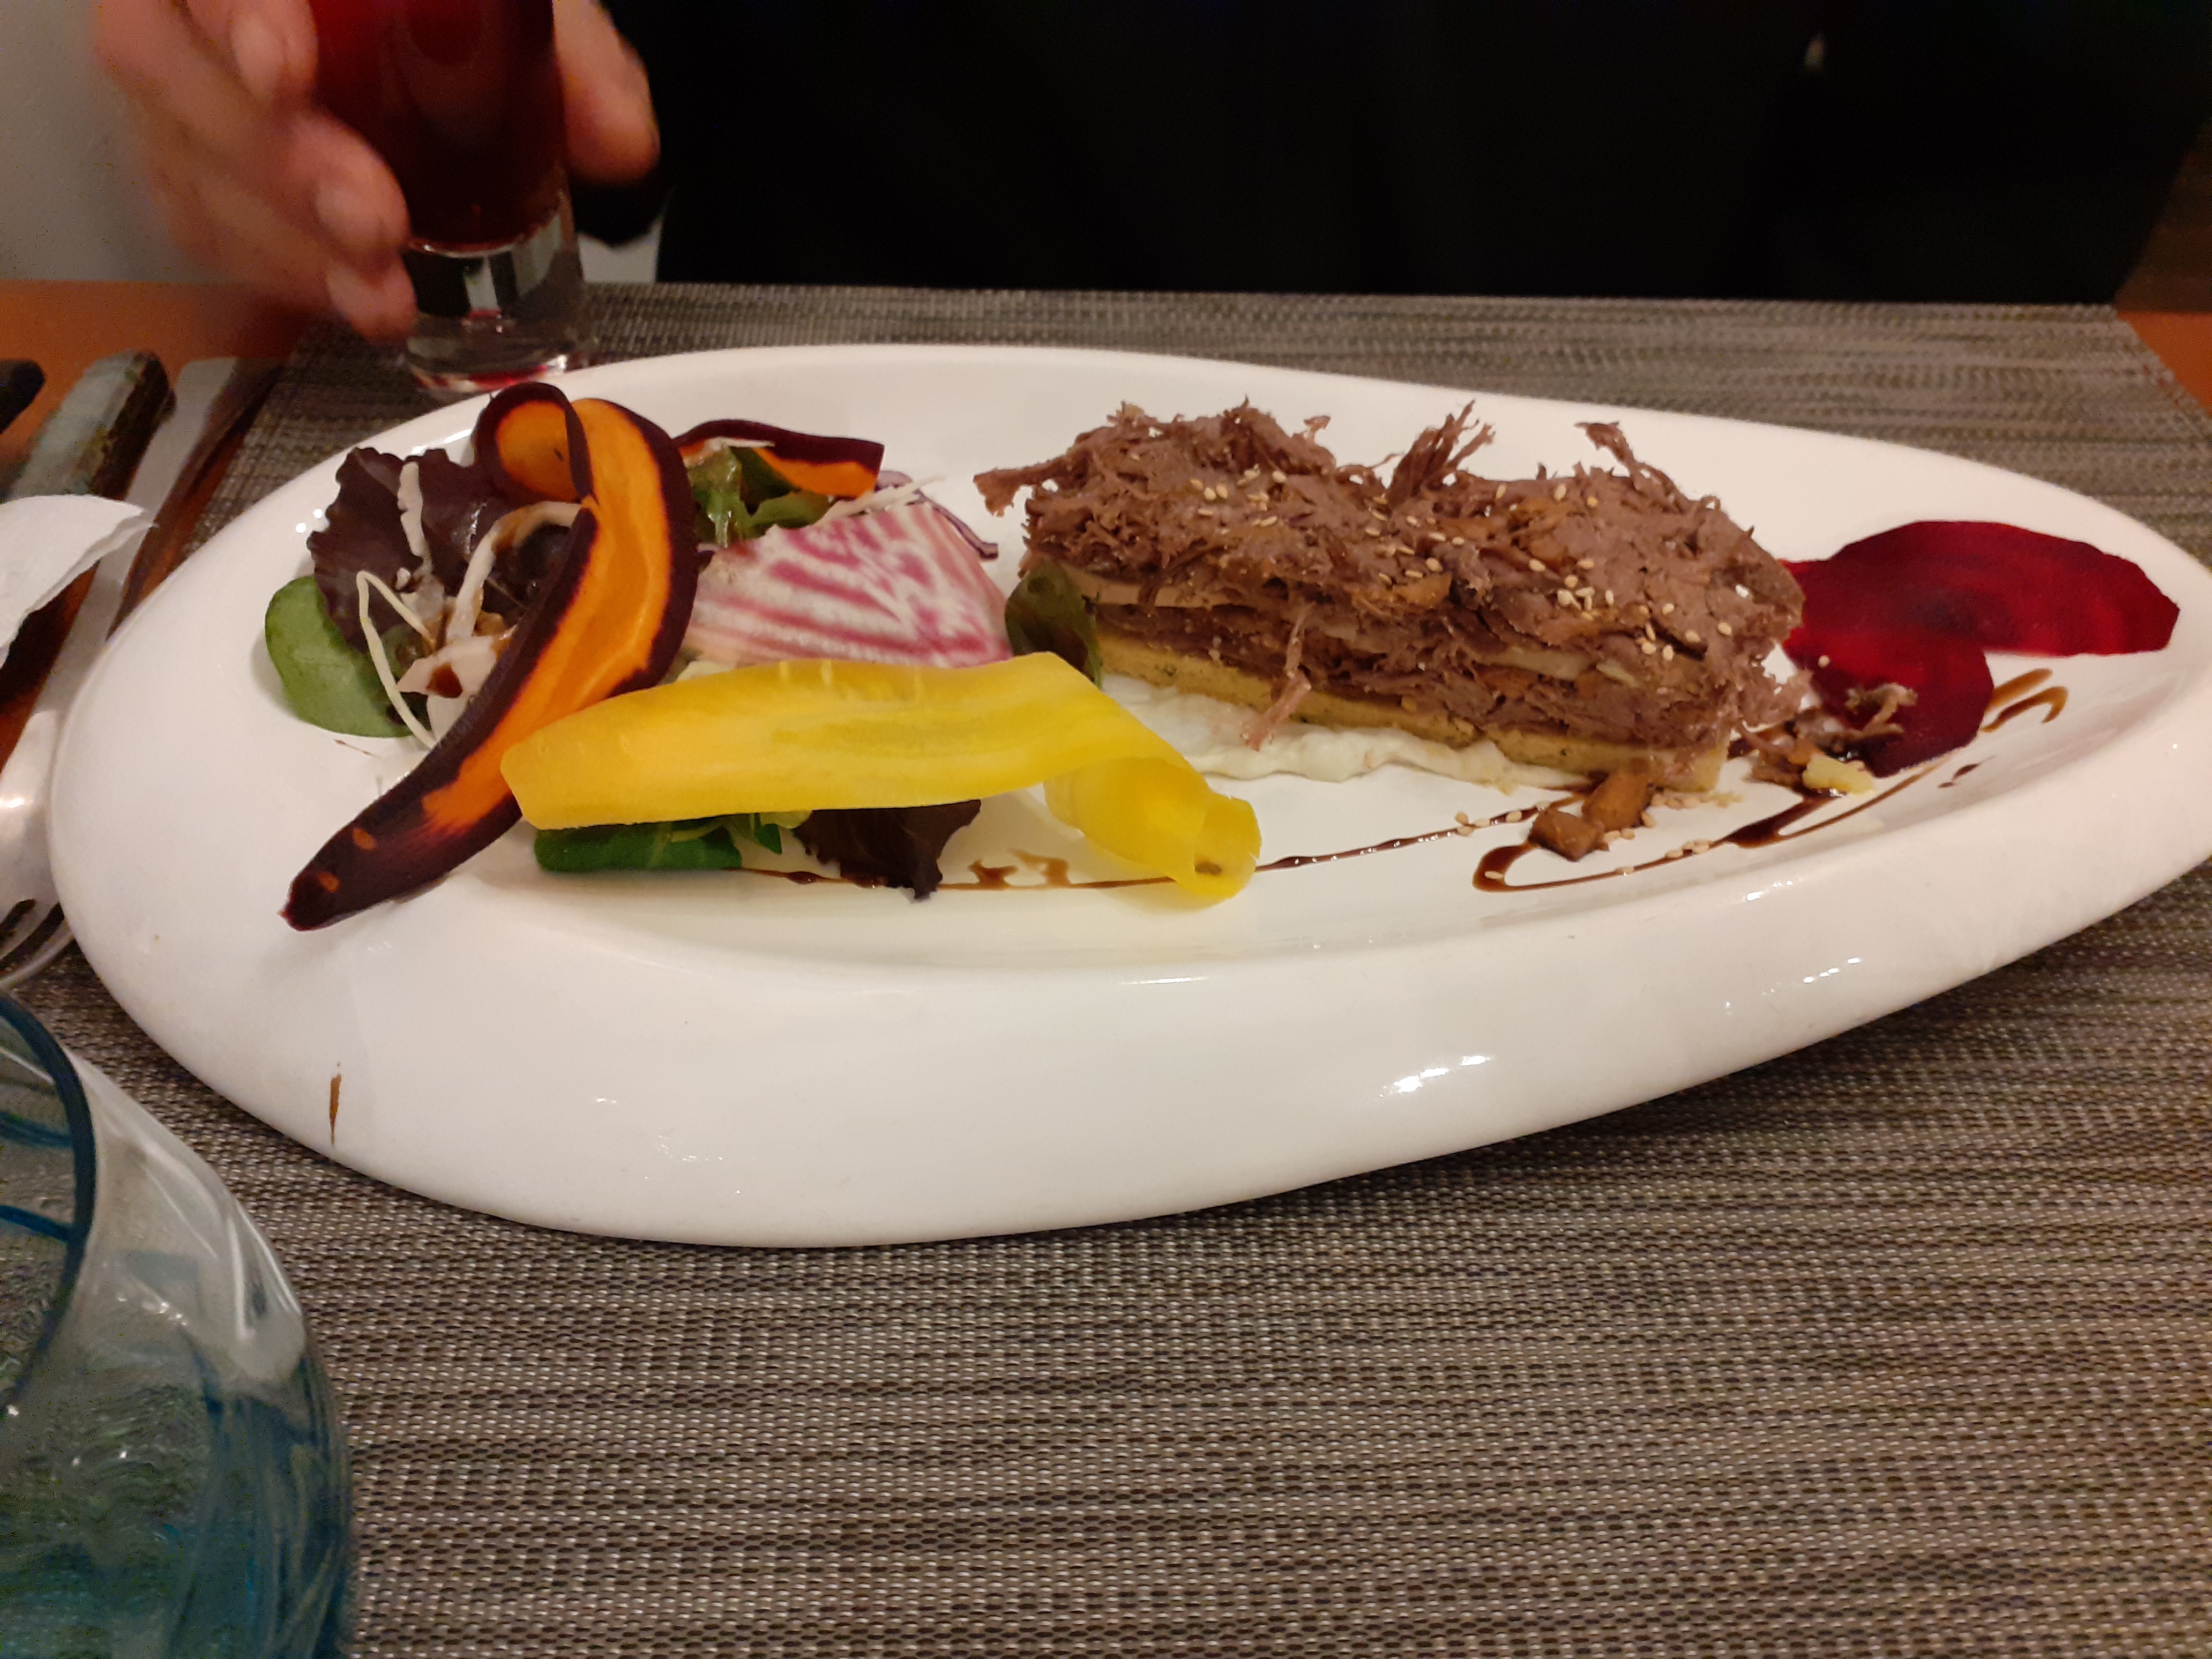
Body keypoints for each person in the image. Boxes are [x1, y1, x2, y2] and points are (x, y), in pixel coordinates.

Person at [96, 0, 2212, 333]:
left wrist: (1791, 405)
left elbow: (2028, 113)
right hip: (842, 434)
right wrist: (360, 111)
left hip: (1635, 384)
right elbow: (579, 74)